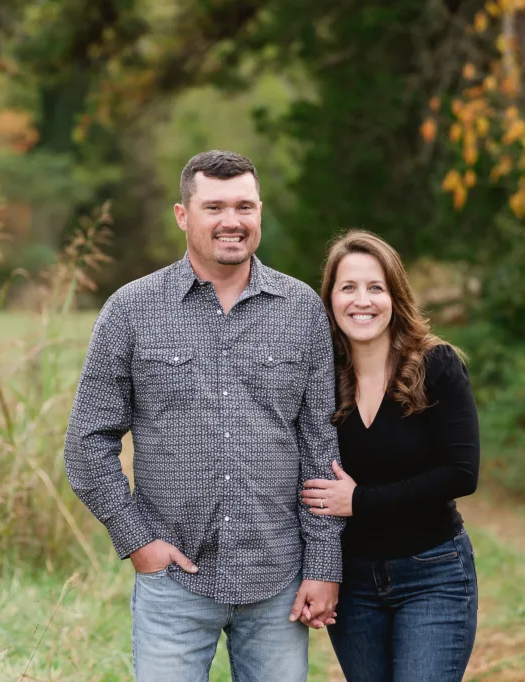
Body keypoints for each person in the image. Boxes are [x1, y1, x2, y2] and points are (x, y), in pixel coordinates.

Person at [64, 150, 345, 681]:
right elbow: (86, 444)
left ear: (260, 212)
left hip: (278, 581)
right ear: (182, 214)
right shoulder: (131, 309)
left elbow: (320, 450)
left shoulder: (302, 307)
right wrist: (136, 539)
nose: (232, 222)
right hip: (174, 582)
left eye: (245, 206)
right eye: (214, 207)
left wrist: (324, 566)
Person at [300, 230, 480, 681]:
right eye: (348, 288)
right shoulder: (321, 378)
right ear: (331, 299)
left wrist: (360, 501)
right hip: (354, 582)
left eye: (375, 287)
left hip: (432, 573)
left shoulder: (434, 364)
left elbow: (461, 473)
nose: (362, 301)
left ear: (395, 296)